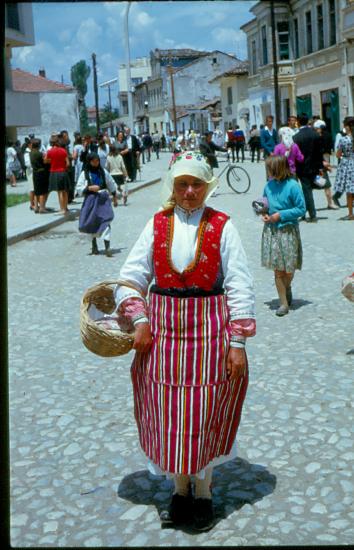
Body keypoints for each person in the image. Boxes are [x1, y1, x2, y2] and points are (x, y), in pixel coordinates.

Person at [114, 150, 256, 531]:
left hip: (210, 334)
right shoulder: (156, 224)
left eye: (196, 184)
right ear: (173, 187)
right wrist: (138, 319)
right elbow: (130, 277)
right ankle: (179, 489)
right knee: (170, 413)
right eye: (182, 184)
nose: (189, 192)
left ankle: (205, 491)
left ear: (207, 187)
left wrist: (237, 343)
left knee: (205, 411)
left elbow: (240, 283)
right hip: (163, 337)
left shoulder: (223, 226)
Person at [261, 155, 306, 316]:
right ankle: (283, 303)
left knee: (289, 268)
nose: (268, 172)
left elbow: (301, 209)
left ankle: (287, 287)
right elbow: (264, 203)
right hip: (272, 232)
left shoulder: (293, 186)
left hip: (288, 231)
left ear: (278, 169)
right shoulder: (269, 185)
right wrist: (263, 212)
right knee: (278, 269)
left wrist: (280, 215)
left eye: (270, 169)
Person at [76, 152, 118, 256]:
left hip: (103, 200)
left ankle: (107, 247)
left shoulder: (103, 172)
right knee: (92, 222)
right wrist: (89, 188)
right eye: (93, 161)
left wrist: (114, 196)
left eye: (97, 161)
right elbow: (79, 187)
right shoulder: (84, 174)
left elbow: (110, 183)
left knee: (106, 221)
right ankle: (94, 246)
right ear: (89, 162)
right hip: (91, 200)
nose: (96, 163)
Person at [293, 113, 323, 223]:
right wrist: (320, 167)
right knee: (309, 190)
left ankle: (312, 214)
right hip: (314, 167)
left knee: (306, 191)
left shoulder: (296, 137)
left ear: (298, 122)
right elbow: (319, 152)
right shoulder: (315, 134)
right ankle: (305, 212)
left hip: (302, 168)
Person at [313, 119, 338, 210]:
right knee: (325, 184)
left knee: (321, 184)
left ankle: (310, 205)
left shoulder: (316, 138)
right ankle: (330, 203)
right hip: (321, 163)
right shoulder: (324, 136)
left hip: (317, 164)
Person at [333, 116, 354, 220]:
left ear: (347, 126)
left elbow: (338, 154)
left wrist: (342, 156)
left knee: (349, 191)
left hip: (347, 164)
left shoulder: (344, 139)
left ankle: (351, 213)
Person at [44, 135, 71, 215]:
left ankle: (62, 209)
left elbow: (45, 161)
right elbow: (68, 163)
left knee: (59, 192)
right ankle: (65, 208)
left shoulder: (49, 151)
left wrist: (52, 161)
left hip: (54, 172)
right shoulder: (63, 150)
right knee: (65, 191)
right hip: (63, 172)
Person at [30, 139, 50, 213]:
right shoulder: (39, 154)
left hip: (35, 173)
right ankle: (42, 208)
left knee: (36, 191)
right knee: (42, 191)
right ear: (39, 145)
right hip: (41, 173)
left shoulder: (31, 153)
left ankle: (36, 207)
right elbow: (45, 161)